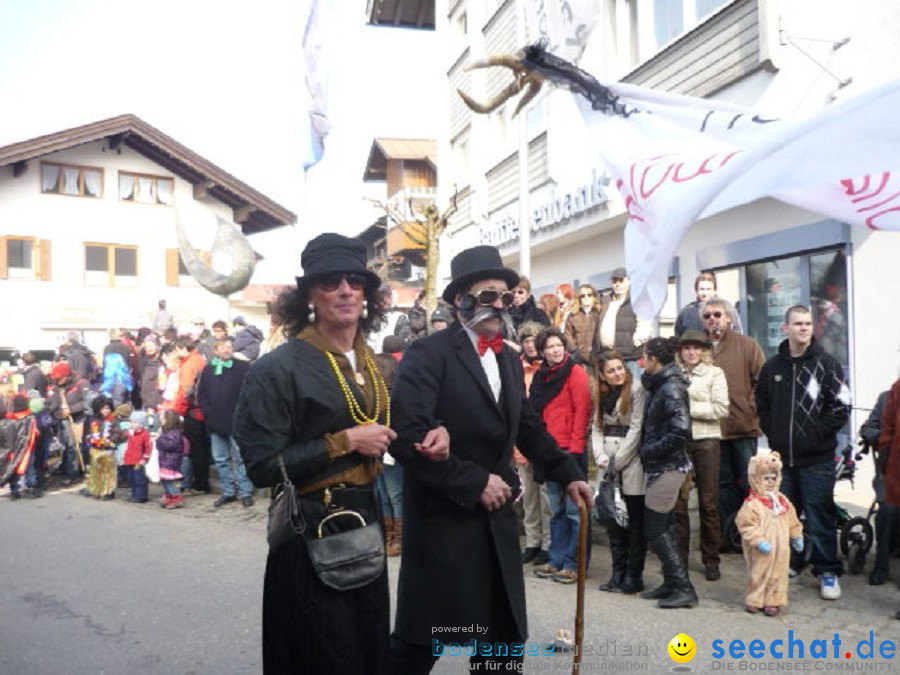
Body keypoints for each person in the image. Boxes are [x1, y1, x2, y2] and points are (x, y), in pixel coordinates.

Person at [388, 244, 593, 674]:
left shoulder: (506, 357)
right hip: (445, 520)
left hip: (496, 523)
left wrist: (568, 472)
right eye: (487, 296)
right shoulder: (429, 355)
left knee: (501, 646)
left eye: (506, 295)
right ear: (458, 300)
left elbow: (528, 427)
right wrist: (474, 482)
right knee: (423, 644)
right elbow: (406, 439)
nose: (500, 304)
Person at [232, 233, 397, 674]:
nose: (344, 290)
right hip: (307, 535)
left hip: (366, 528)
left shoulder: (377, 367)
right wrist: (345, 442)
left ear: (367, 294)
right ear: (308, 294)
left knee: (369, 655)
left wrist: (433, 437)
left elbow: (396, 432)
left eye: (355, 282)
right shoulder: (276, 369)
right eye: (329, 282)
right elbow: (262, 466)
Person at [756, 305, 851, 600]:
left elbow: (841, 406)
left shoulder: (828, 365)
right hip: (784, 460)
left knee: (820, 515)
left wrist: (816, 435)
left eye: (808, 323)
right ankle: (792, 561)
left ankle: (827, 571)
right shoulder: (772, 368)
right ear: (786, 328)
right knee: (786, 515)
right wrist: (774, 435)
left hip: (817, 460)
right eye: (798, 323)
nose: (804, 328)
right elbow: (762, 406)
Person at [638, 336, 697, 609]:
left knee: (656, 528)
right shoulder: (661, 384)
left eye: (644, 356)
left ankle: (684, 587)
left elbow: (681, 430)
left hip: (668, 466)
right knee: (666, 526)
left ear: (654, 359)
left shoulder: (671, 388)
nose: (641, 361)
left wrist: (649, 450)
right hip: (663, 466)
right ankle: (671, 583)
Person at [530, 327, 592, 584]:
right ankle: (556, 559)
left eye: (558, 345)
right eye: (549, 347)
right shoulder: (540, 376)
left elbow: (582, 410)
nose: (555, 350)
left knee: (573, 511)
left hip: (570, 449)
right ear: (542, 352)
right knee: (556, 511)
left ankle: (573, 563)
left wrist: (576, 449)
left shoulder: (575, 372)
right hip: (549, 450)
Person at [702, 297, 765, 530]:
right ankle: (729, 533)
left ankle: (754, 529)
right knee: (722, 484)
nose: (712, 319)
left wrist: (750, 407)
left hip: (742, 427)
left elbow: (763, 382)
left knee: (750, 481)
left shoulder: (747, 345)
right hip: (713, 430)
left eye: (717, 314)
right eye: (707, 316)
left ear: (728, 317)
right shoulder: (698, 349)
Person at [673, 330, 730, 581]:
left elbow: (721, 408)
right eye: (686, 348)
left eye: (696, 348)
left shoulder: (714, 373)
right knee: (678, 504)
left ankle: (711, 559)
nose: (691, 352)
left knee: (708, 503)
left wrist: (687, 408)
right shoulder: (674, 373)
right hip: (679, 441)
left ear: (703, 351)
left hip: (706, 441)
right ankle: (679, 558)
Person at [592, 350, 646, 593]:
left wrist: (619, 460)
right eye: (611, 370)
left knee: (633, 520)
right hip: (607, 458)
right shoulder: (600, 395)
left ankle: (633, 576)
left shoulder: (636, 390)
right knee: (613, 519)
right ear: (602, 376)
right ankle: (617, 573)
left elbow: (636, 429)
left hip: (630, 459)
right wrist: (600, 456)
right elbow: (596, 427)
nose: (618, 373)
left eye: (620, 368)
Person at [735, 452, 804, 616]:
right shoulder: (753, 503)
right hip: (761, 547)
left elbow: (792, 519)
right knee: (758, 573)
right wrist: (758, 540)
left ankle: (773, 600)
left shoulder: (783, 501)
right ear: (756, 478)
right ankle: (755, 599)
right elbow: (745, 524)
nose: (770, 482)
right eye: (766, 478)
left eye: (774, 478)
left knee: (778, 575)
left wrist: (796, 535)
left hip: (781, 549)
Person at [197, 338, 254, 508]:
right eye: (223, 347)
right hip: (215, 422)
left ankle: (245, 492)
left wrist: (243, 414)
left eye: (229, 346)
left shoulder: (243, 368)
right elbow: (201, 394)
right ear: (216, 351)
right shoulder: (208, 370)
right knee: (220, 459)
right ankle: (228, 492)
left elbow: (251, 393)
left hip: (236, 422)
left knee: (240, 458)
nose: (227, 350)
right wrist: (208, 412)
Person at [515, 321, 552, 566]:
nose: (529, 345)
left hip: (543, 437)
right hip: (521, 440)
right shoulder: (517, 367)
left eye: (533, 340)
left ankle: (548, 544)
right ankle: (532, 541)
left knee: (546, 497)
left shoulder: (547, 368)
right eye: (525, 341)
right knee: (528, 496)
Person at [860, 388, 895, 585]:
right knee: (887, 509)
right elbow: (867, 429)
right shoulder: (886, 398)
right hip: (888, 471)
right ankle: (881, 566)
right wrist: (885, 438)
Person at [595, 268, 652, 378]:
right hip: (608, 355)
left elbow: (644, 327)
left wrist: (632, 344)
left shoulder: (638, 299)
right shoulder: (606, 300)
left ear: (629, 281)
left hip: (630, 357)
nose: (617, 284)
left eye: (621, 281)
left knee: (632, 389)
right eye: (614, 281)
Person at [172, 335, 210, 494]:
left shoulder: (189, 364)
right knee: (201, 448)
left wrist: (176, 411)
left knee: (196, 450)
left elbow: (186, 392)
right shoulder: (200, 359)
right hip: (203, 411)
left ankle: (200, 484)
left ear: (182, 348)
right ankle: (201, 482)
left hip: (193, 412)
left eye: (176, 349)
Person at [45, 361, 91, 485]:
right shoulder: (58, 386)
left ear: (66, 376)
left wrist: (71, 409)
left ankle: (73, 474)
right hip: (62, 419)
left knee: (73, 446)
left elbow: (87, 403)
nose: (56, 381)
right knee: (64, 445)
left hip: (77, 419)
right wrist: (48, 410)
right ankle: (66, 468)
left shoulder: (81, 383)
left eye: (58, 379)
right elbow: (53, 401)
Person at [674, 272, 743, 337]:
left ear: (715, 291)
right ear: (696, 291)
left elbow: (737, 334)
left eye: (708, 289)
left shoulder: (727, 309)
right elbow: (678, 339)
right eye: (702, 289)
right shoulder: (686, 313)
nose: (705, 293)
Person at [81, 396, 121, 500]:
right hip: (96, 449)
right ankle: (97, 489)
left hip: (108, 450)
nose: (106, 411)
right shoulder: (94, 420)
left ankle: (108, 491)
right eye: (103, 408)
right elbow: (89, 433)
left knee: (108, 472)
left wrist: (111, 440)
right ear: (98, 408)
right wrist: (91, 439)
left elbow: (117, 433)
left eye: (108, 408)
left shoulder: (114, 420)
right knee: (97, 471)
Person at [0, 395, 38, 499]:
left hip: (13, 450)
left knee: (13, 467)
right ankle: (31, 486)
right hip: (28, 448)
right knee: (29, 466)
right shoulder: (30, 419)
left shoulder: (10, 420)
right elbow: (36, 433)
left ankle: (14, 489)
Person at [156, 411, 190, 509]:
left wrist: (159, 439)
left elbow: (170, 446)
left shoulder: (174, 433)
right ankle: (168, 495)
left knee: (169, 481)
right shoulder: (167, 432)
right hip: (165, 460)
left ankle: (176, 496)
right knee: (165, 480)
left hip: (171, 461)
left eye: (163, 418)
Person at [564, 283, 601, 368]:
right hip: (580, 358)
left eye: (589, 295)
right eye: (582, 296)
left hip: (598, 357)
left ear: (594, 297)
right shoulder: (573, 315)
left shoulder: (600, 313)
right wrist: (574, 350)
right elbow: (567, 335)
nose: (586, 297)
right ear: (579, 298)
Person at [122, 410, 152, 503]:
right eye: (131, 422)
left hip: (138, 461)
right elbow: (124, 435)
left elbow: (148, 448)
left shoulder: (144, 435)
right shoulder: (131, 433)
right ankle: (134, 494)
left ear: (140, 424)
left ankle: (141, 496)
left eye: (134, 422)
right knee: (131, 478)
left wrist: (145, 458)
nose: (132, 424)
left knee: (139, 478)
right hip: (129, 459)